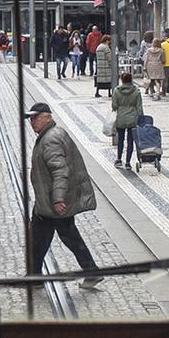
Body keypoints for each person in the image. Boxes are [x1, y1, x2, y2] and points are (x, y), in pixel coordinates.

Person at [24, 102, 103, 288]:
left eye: (35, 117)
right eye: (30, 118)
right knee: (39, 239)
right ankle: (34, 277)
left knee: (68, 239)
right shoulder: (53, 134)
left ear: (47, 117)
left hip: (54, 203)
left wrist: (58, 198)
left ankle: (91, 271)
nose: (32, 122)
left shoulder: (50, 139)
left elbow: (60, 171)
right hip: (47, 201)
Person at [111, 70, 142, 167]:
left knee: (120, 139)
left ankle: (119, 159)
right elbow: (139, 107)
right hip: (132, 119)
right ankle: (128, 162)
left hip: (121, 118)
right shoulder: (136, 91)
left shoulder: (116, 91)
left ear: (122, 80)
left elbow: (114, 106)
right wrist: (141, 119)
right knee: (130, 141)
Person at [140, 32, 165, 98]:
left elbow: (146, 58)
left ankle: (150, 91)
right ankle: (158, 91)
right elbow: (163, 60)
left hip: (149, 65)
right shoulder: (161, 50)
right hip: (158, 65)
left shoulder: (147, 49)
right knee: (157, 80)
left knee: (150, 79)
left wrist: (144, 66)